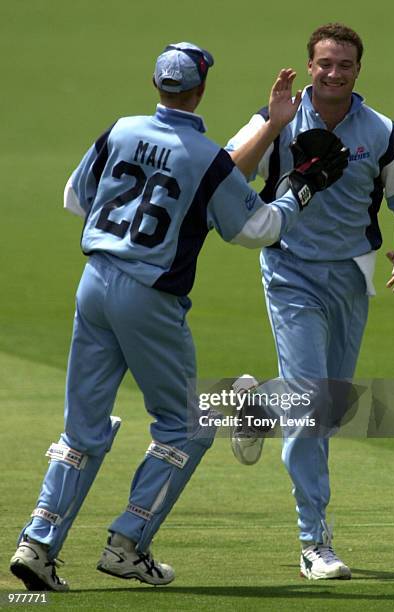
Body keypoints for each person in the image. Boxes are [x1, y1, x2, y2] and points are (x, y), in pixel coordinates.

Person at [9, 42, 349, 592]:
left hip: (93, 284)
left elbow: (76, 197)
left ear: (157, 86)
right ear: (201, 89)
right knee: (186, 424)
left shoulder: (120, 129)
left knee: (84, 428)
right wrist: (298, 191)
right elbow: (256, 229)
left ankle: (38, 541)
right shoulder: (205, 157)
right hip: (150, 298)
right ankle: (127, 542)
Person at [227, 23, 394, 580]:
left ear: (358, 70)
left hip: (351, 276)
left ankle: (255, 405)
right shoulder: (279, 116)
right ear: (308, 66)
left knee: (329, 405)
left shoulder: (384, 132)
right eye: (323, 63)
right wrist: (272, 125)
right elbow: (229, 176)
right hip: (289, 270)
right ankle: (314, 542)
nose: (333, 72)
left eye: (343, 64)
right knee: (312, 407)